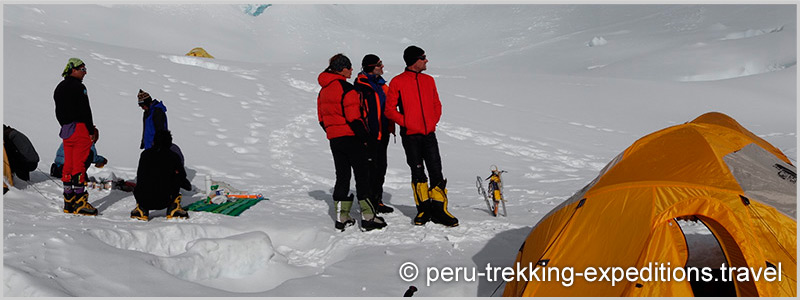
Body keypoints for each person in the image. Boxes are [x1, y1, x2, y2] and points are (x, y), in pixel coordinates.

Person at [384, 46, 458, 227]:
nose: (426, 61)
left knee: (436, 171)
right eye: (423, 57)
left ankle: (440, 211)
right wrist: (408, 122)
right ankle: (423, 210)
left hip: (429, 134)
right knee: (418, 172)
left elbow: (436, 104)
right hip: (410, 136)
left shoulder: (429, 80)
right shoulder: (398, 82)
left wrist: (432, 122)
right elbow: (389, 110)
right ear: (414, 60)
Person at [317, 53, 386, 231]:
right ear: (342, 69)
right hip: (352, 138)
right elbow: (354, 118)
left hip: (335, 139)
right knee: (362, 176)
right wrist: (367, 139)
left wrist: (333, 132)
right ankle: (369, 217)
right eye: (349, 67)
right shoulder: (347, 89)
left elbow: (322, 119)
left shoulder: (323, 91)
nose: (351, 70)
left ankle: (342, 217)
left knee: (342, 176)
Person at [53, 57, 98, 216]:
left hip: (66, 129)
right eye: (83, 69)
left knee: (69, 165)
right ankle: (80, 200)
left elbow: (57, 111)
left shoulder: (59, 87)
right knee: (79, 164)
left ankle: (68, 200)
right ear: (73, 69)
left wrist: (65, 124)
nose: (85, 72)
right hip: (79, 128)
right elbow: (85, 109)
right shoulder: (79, 87)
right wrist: (90, 129)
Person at [353, 54, 395, 214]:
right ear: (371, 67)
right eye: (379, 64)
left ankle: (377, 201)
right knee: (370, 169)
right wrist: (363, 133)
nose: (382, 67)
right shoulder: (360, 86)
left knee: (381, 168)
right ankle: (368, 202)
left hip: (383, 133)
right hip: (369, 134)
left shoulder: (382, 84)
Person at [131, 130, 191, 221]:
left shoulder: (145, 155)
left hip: (143, 199)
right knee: (176, 177)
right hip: (165, 200)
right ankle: (173, 208)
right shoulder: (173, 156)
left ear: (154, 141)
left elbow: (140, 175)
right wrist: (187, 186)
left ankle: (142, 210)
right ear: (170, 142)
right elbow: (182, 177)